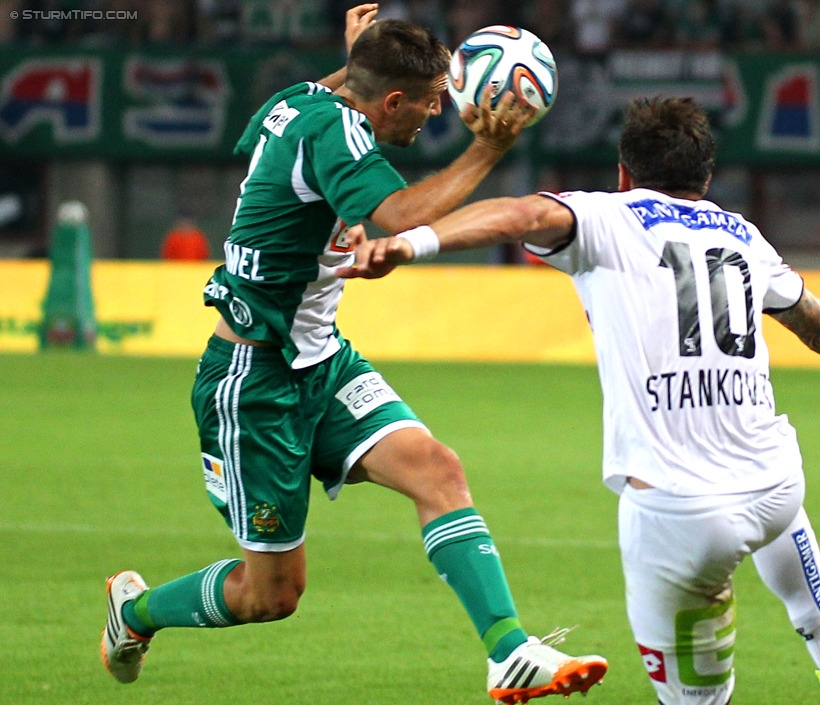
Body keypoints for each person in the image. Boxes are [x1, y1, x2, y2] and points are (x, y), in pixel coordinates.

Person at [100, 6, 608, 704]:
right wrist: (489, 149)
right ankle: (133, 613)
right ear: (391, 100)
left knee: (438, 467)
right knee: (270, 595)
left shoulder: (304, 100)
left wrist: (359, 55)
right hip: (255, 384)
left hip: (323, 363)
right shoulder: (335, 133)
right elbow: (398, 218)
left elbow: (331, 100)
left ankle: (508, 651)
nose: (437, 113)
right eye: (430, 102)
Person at [339, 96, 820, 705]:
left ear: (625, 173)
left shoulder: (608, 216)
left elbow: (519, 215)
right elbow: (818, 325)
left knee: (698, 701)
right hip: (775, 488)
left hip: (679, 518)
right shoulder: (744, 235)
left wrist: (411, 244)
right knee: (775, 488)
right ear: (705, 178)